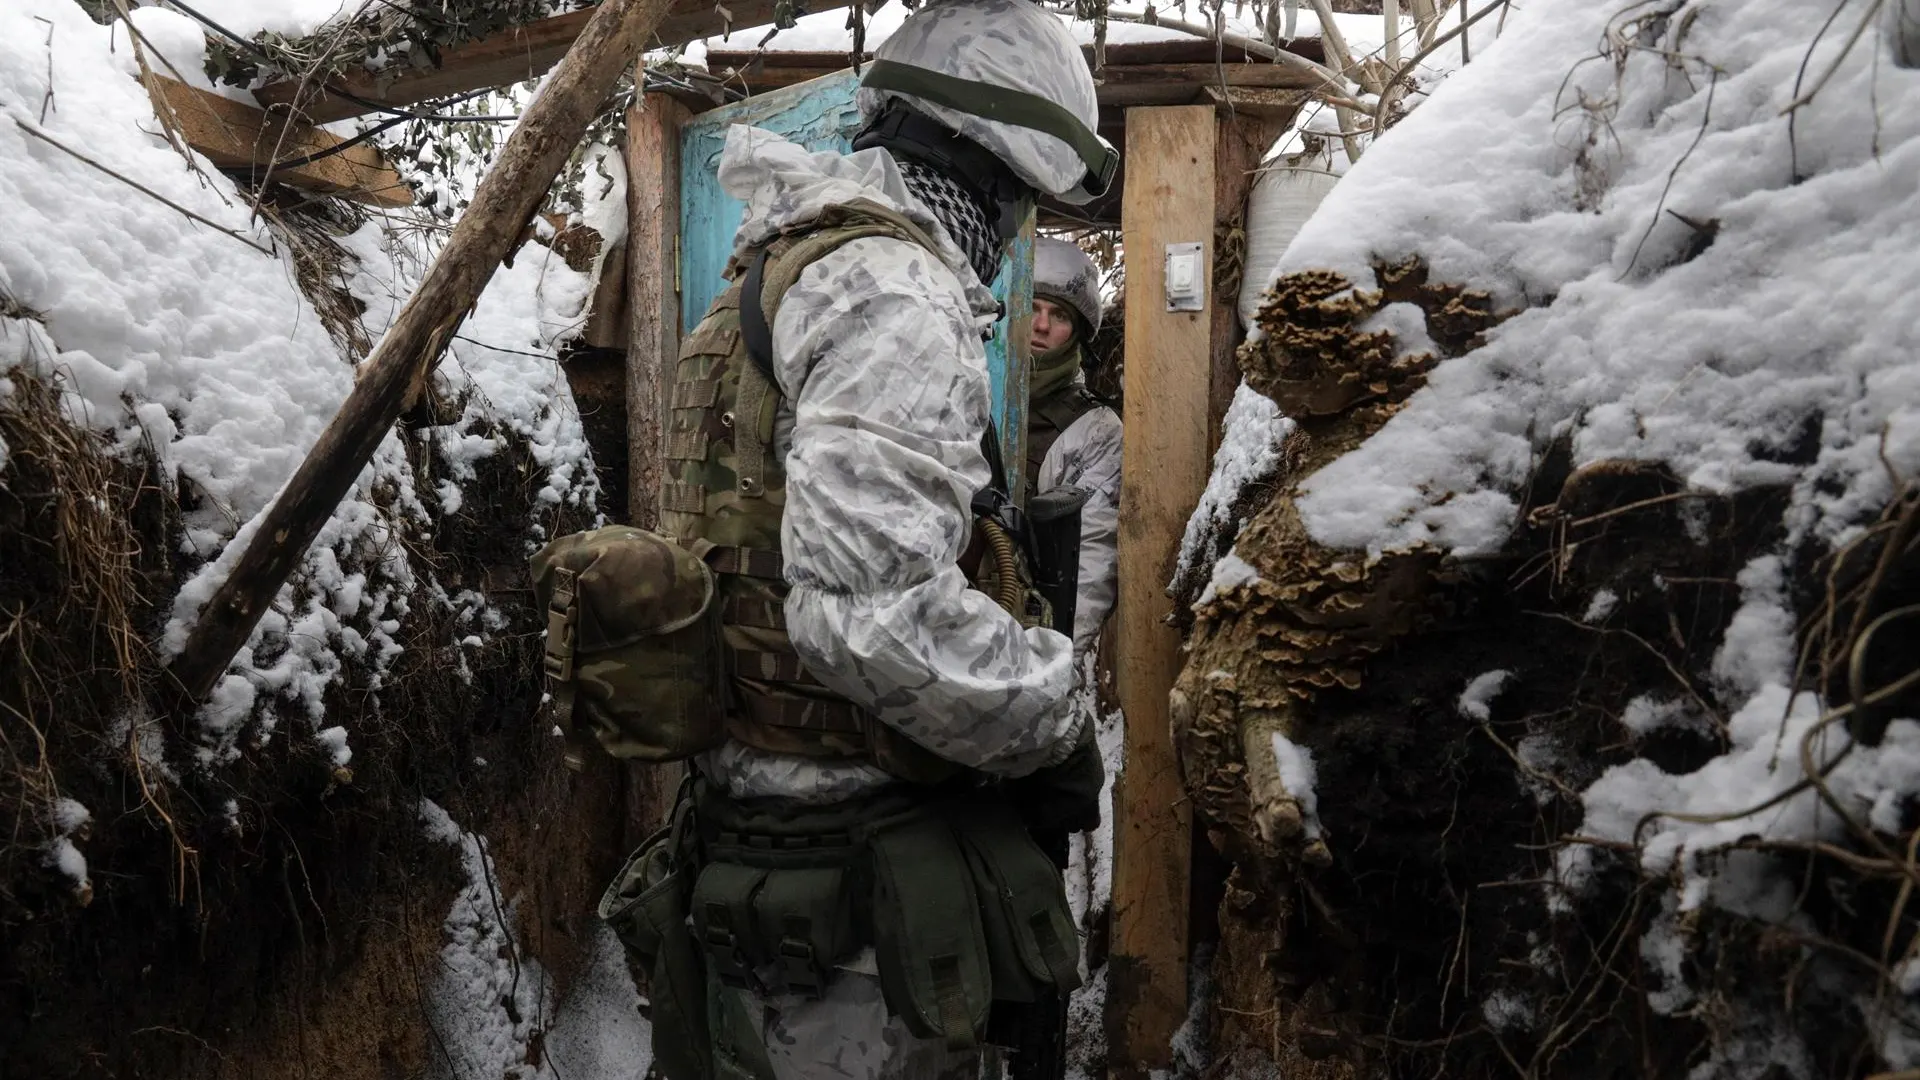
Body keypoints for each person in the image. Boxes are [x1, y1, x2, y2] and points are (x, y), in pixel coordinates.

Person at [622, 2, 1118, 1078]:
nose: (1015, 226)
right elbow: (867, 617)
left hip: (757, 843)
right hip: (844, 901)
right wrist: (1053, 709)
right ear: (994, 168)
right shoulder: (891, 291)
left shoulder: (777, 269)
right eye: (1024, 199)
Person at [1026, 237, 1122, 660]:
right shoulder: (963, 385)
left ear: (1076, 333)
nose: (1041, 326)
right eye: (1031, 306)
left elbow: (1089, 561)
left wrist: (1056, 664)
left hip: (1020, 633)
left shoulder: (1093, 429)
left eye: (1058, 314)